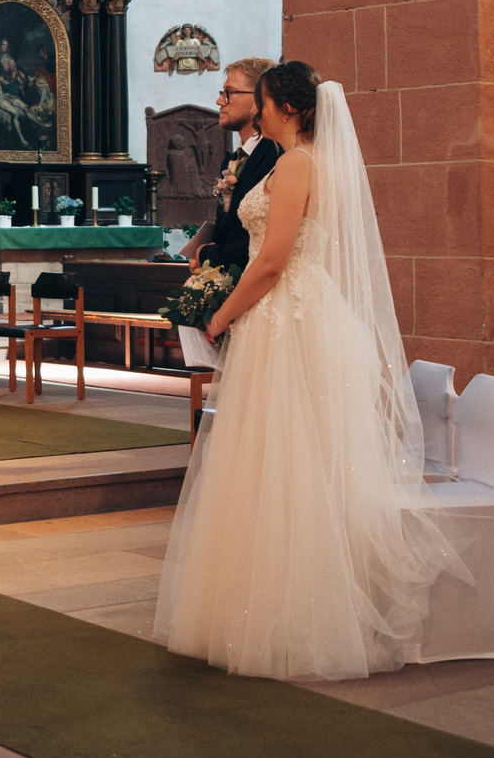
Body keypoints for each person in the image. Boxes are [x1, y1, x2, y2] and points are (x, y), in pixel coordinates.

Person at [152, 62, 467, 680]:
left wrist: (221, 318)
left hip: (287, 318)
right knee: (276, 463)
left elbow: (273, 260)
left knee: (289, 463)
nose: (260, 111)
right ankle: (264, 606)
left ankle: (298, 616)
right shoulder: (293, 161)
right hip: (287, 315)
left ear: (288, 108)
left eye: (265, 101)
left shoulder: (297, 164)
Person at [190, 56, 279, 273]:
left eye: (229, 93)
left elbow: (262, 241)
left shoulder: (276, 156)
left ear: (260, 98)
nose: (220, 101)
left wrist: (205, 254)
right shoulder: (231, 159)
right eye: (222, 93)